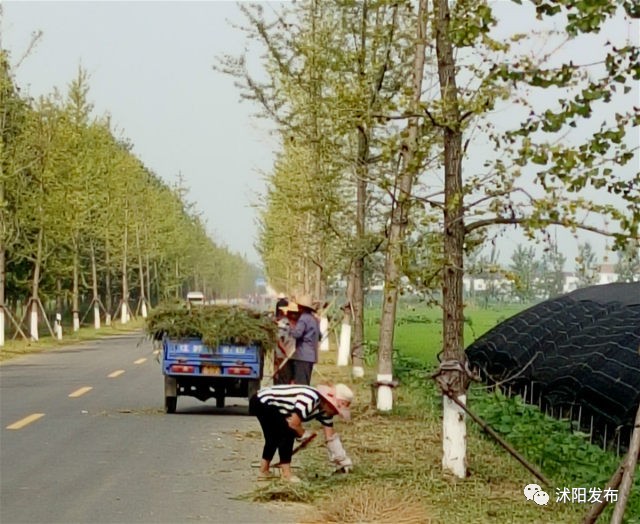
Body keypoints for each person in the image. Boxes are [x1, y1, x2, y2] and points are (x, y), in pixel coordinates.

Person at [249, 383, 354, 482]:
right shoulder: (310, 399)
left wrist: (343, 460)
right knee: (286, 433)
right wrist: (304, 434)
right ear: (329, 402)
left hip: (273, 406)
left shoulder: (325, 412)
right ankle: (286, 474)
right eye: (336, 409)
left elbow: (330, 438)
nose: (336, 413)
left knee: (274, 437)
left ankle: (264, 470)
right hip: (263, 401)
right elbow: (294, 423)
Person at [287, 294, 320, 385]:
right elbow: (319, 335)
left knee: (301, 384)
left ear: (302, 308)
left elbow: (297, 334)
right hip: (311, 356)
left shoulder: (303, 319)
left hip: (303, 356)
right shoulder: (314, 319)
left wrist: (289, 328)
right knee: (306, 383)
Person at [273, 302, 299, 385]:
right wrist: (286, 352)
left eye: (296, 313)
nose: (295, 315)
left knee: (292, 379)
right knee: (283, 379)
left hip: (293, 357)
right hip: (282, 356)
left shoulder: (298, 324)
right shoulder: (282, 324)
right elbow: (278, 340)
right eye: (293, 313)